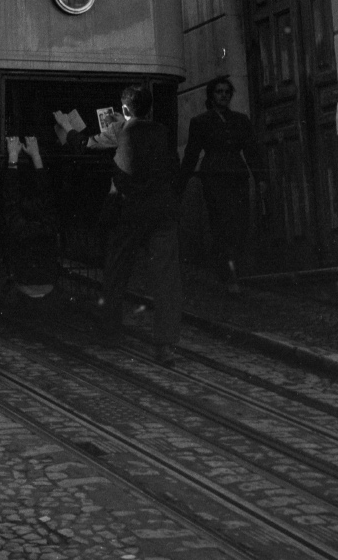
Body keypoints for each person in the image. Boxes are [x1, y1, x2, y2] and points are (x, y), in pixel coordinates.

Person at [73, 84, 182, 364]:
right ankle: (165, 345)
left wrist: (70, 131)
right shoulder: (162, 131)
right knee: (166, 280)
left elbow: (89, 145)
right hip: (162, 212)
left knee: (116, 271)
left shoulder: (120, 129)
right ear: (150, 108)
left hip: (130, 213)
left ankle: (110, 332)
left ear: (124, 109)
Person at [180, 76, 265, 292]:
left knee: (240, 223)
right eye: (219, 92)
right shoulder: (200, 122)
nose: (224, 95)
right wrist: (180, 182)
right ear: (211, 95)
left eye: (227, 92)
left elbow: (251, 152)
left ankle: (235, 271)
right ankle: (227, 275)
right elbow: (191, 154)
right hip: (214, 178)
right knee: (221, 225)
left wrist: (260, 178)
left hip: (237, 176)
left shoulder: (241, 120)